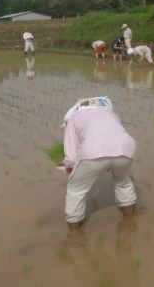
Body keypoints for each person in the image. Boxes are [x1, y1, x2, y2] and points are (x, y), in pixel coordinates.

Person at [61, 96, 137, 229]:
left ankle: (74, 233)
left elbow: (71, 156)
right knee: (123, 181)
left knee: (76, 190)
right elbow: (115, 135)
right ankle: (129, 217)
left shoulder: (74, 118)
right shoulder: (110, 113)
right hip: (126, 147)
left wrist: (69, 167)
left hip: (93, 151)